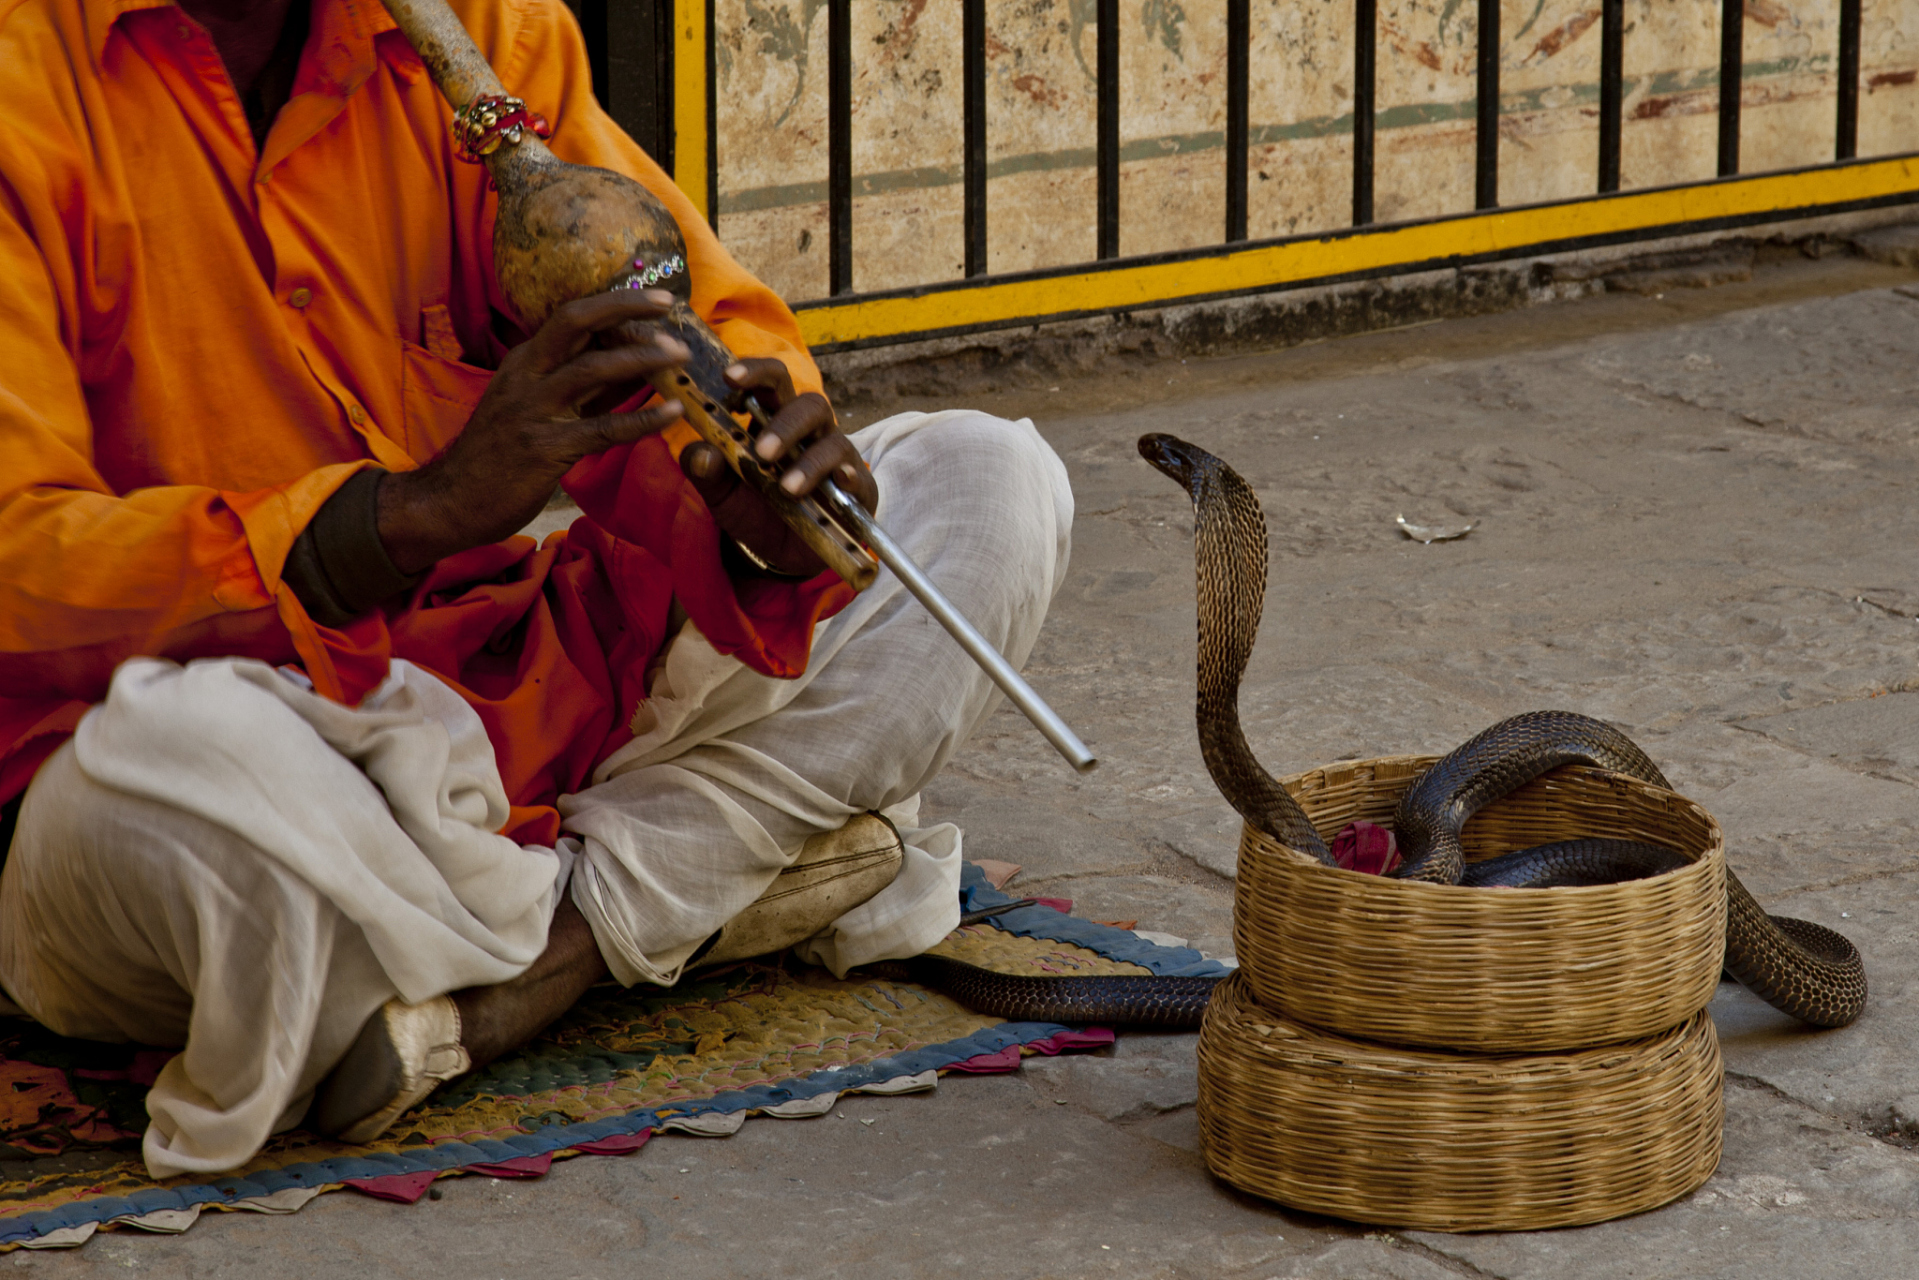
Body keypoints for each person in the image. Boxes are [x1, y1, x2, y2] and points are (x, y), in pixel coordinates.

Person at [0, 0, 1074, 1176]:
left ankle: (544, 958)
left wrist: (757, 510)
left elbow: (678, 315)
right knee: (176, 771)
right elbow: (18, 563)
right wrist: (407, 516)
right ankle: (692, 890)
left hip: (515, 701)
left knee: (984, 482)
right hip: (194, 738)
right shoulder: (24, 80)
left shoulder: (475, 37)